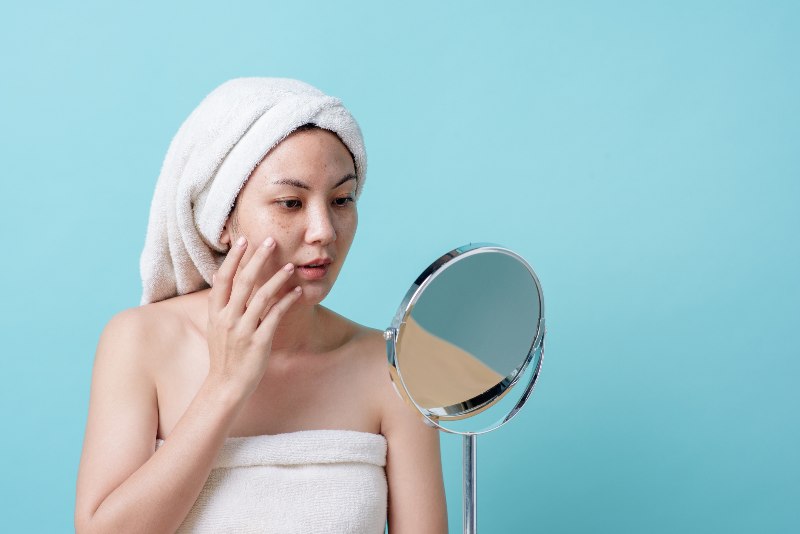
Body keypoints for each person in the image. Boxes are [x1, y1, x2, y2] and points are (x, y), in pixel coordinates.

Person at [74, 78, 448, 533]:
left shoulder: (393, 368)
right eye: (291, 202)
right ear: (223, 221)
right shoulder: (140, 342)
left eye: (341, 200)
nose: (324, 231)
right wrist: (226, 384)